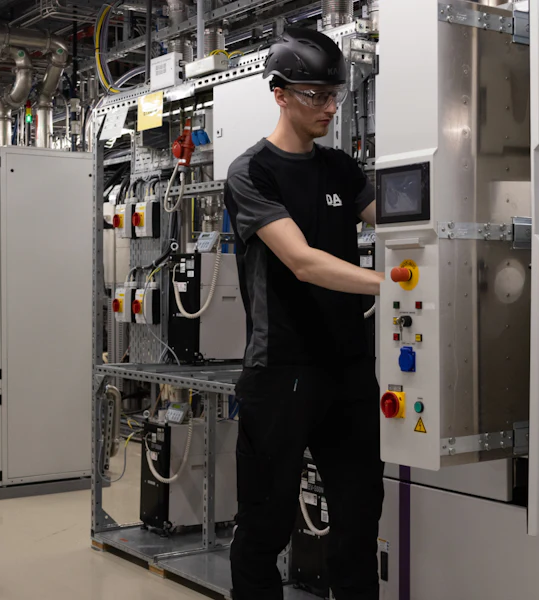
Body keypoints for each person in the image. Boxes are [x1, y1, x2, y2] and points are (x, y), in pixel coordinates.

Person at [222, 27, 384, 600]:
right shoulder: (251, 173)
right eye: (316, 94)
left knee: (360, 522)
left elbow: (395, 224)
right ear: (281, 92)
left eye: (334, 95)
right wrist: (386, 282)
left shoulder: (340, 168)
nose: (329, 107)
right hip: (281, 372)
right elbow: (303, 262)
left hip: (348, 372)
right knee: (264, 526)